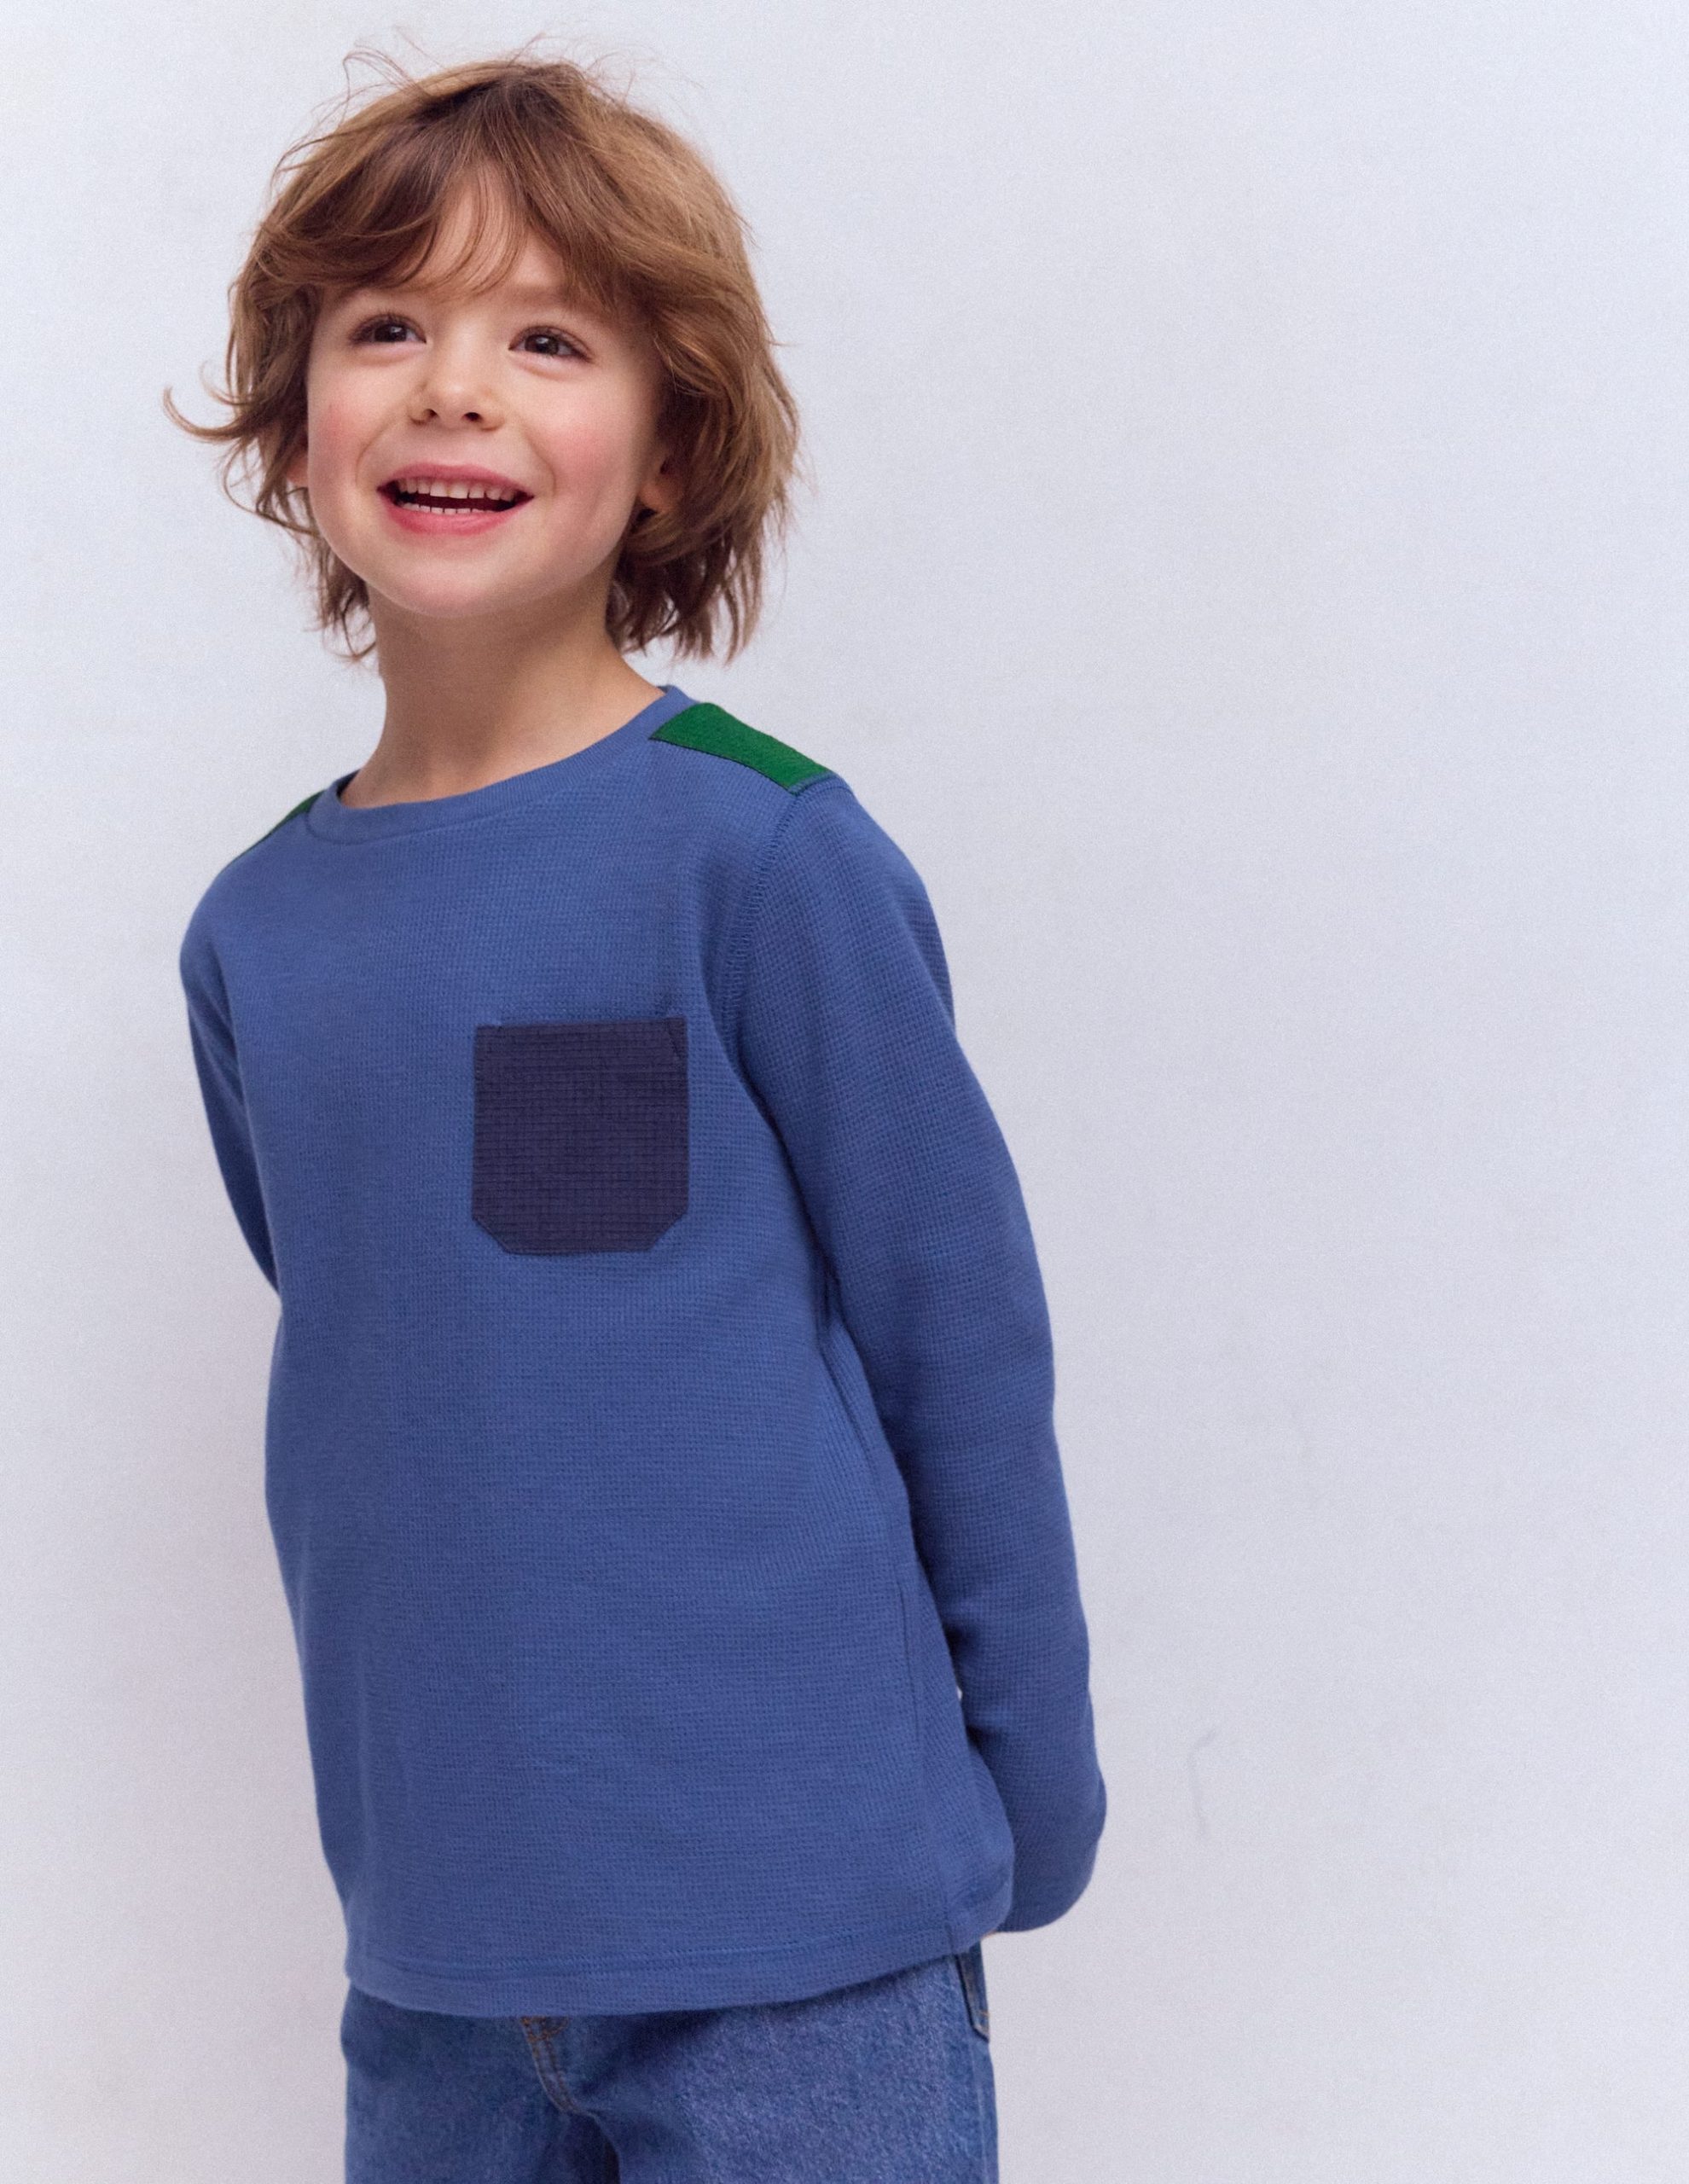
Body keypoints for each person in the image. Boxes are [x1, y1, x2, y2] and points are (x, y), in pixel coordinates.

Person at [171, 48, 1106, 2184]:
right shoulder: (256, 930)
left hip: (803, 1943)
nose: (454, 390)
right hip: (434, 1963)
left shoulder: (763, 853)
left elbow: (958, 1335)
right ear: (297, 419)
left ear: (670, 447)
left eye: (548, 339)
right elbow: (384, 1351)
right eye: (386, 325)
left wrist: (1030, 1793)